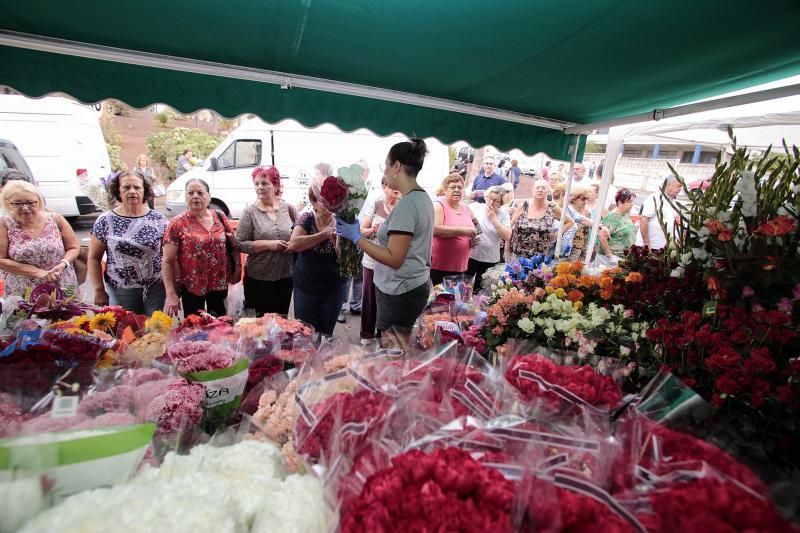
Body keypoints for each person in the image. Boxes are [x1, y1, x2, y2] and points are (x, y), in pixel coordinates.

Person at [335, 138, 434, 337]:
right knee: (397, 347)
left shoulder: (407, 205)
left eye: (386, 166)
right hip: (411, 286)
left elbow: (394, 258)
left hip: (401, 291)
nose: (385, 172)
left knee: (393, 353)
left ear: (397, 166)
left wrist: (357, 238)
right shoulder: (422, 198)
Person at [88, 170, 167, 314]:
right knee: (127, 332)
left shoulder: (159, 219)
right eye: (126, 187)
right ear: (118, 191)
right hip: (121, 291)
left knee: (155, 332)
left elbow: (168, 257)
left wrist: (173, 288)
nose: (132, 191)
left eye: (137, 187)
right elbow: (94, 258)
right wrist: (99, 290)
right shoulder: (105, 220)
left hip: (156, 289)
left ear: (145, 191)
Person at [163, 178, 232, 317]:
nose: (195, 196)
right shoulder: (177, 223)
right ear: (185, 197)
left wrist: (236, 269)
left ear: (209, 196)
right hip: (191, 287)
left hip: (219, 284)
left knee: (221, 328)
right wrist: (171, 293)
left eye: (200, 192)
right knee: (194, 330)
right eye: (190, 193)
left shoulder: (220, 216)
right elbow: (167, 261)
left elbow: (232, 244)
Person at [287, 178, 348, 336]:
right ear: (313, 202)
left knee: (326, 334)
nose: (328, 206)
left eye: (332, 201)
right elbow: (293, 244)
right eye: (323, 201)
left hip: (333, 289)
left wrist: (336, 242)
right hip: (306, 288)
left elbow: (346, 260)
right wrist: (324, 235)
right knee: (305, 334)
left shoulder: (341, 222)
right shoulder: (306, 218)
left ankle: (323, 361)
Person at [235, 165, 297, 316]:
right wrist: (268, 245)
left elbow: (299, 234)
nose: (259, 188)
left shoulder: (288, 209)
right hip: (258, 279)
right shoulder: (250, 212)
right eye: (256, 184)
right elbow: (240, 243)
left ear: (275, 185)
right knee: (257, 327)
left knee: (280, 324)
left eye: (264, 183)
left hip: (285, 277)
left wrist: (294, 245)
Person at [0, 181, 78, 297]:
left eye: (31, 203)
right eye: (17, 203)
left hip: (61, 285)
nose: (25, 208)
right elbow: (1, 260)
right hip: (23, 291)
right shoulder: (4, 224)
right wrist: (37, 272)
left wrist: (63, 264)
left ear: (39, 201)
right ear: (8, 203)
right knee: (26, 315)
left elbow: (73, 247)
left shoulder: (55, 218)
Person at [358, 177, 401, 341]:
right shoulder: (375, 205)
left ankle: (383, 336)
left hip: (393, 262)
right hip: (373, 260)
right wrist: (373, 230)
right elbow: (361, 231)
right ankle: (367, 336)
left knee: (389, 300)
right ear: (384, 186)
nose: (397, 189)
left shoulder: (404, 206)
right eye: (392, 186)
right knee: (370, 299)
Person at [430, 173, 477, 286]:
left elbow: (477, 226)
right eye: (452, 187)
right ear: (445, 190)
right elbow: (435, 230)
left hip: (461, 266)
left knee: (455, 301)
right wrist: (463, 231)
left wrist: (476, 238)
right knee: (439, 301)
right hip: (440, 267)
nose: (457, 190)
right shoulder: (439, 205)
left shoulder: (466, 208)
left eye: (460, 187)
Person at [509, 179, 573, 260]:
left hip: (540, 256)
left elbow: (570, 222)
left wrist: (556, 235)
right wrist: (507, 250)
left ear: (548, 192)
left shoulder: (552, 208)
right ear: (532, 190)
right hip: (519, 253)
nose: (540, 190)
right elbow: (510, 226)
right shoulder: (523, 205)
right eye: (537, 187)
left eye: (543, 188)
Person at [339, 160, 370, 323]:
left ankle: (356, 304)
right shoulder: (346, 191)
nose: (361, 174)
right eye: (358, 171)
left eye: (363, 171)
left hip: (363, 236)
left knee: (359, 274)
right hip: (346, 236)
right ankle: (341, 307)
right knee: (345, 273)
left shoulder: (368, 191)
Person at [467, 185, 510, 292]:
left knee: (482, 291)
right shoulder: (475, 207)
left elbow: (507, 236)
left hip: (490, 259)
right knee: (465, 289)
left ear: (501, 203)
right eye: (490, 198)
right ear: (486, 197)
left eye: (496, 200)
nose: (491, 202)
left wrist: (494, 219)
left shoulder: (503, 214)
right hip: (471, 256)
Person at [636, 175, 682, 250]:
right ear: (668, 184)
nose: (680, 189)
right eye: (678, 186)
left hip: (662, 248)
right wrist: (647, 244)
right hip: (649, 247)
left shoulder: (673, 202)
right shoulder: (655, 198)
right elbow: (644, 220)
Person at [597, 188, 638, 266]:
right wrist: (610, 256)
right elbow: (602, 237)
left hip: (623, 258)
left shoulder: (626, 214)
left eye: (633, 201)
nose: (632, 204)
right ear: (619, 203)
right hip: (609, 259)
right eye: (629, 202)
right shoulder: (612, 217)